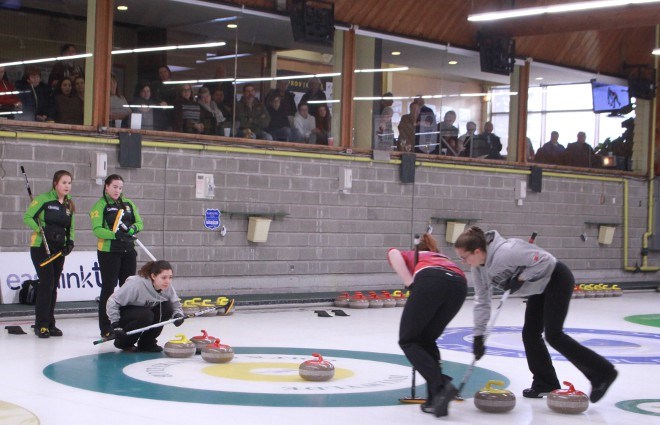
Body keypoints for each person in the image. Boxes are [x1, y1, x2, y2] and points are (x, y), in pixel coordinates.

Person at [453, 226, 618, 403]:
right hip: (539, 288)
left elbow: (546, 260)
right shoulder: (478, 269)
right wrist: (479, 335)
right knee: (530, 334)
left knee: (554, 335)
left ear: (477, 251)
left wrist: (521, 278)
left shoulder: (507, 252)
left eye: (464, 257)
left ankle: (603, 372)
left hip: (556, 278)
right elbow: (482, 301)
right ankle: (546, 383)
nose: (463, 262)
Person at [387, 233, 467, 417]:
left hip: (431, 280)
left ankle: (441, 384)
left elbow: (392, 253)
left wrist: (409, 283)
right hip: (459, 284)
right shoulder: (442, 257)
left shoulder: (414, 255)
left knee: (408, 340)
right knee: (426, 340)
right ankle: (435, 399)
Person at [23, 170, 75, 338]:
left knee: (53, 286)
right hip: (41, 247)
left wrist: (70, 242)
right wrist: (41, 230)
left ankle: (50, 323)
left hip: (58, 249)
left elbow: (70, 227)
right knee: (46, 284)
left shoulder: (69, 205)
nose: (67, 186)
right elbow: (28, 217)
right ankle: (41, 325)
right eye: (64, 182)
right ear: (55, 184)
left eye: (69, 183)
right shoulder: (43, 199)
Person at [90, 174, 144, 338]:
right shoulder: (100, 206)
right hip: (109, 252)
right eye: (114, 187)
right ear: (106, 186)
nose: (117, 190)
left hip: (128, 251)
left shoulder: (128, 204)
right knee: (108, 289)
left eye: (120, 188)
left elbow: (139, 223)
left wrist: (132, 230)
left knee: (127, 288)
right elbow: (97, 229)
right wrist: (116, 235)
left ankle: (125, 324)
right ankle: (106, 327)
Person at [106, 260, 184, 352]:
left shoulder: (167, 286)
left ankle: (147, 343)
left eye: (170, 277)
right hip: (125, 314)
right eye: (164, 277)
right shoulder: (136, 284)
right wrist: (115, 325)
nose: (168, 281)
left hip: (145, 311)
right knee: (146, 315)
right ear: (153, 276)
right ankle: (124, 342)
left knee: (167, 308)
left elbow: (175, 304)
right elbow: (112, 301)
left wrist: (178, 315)